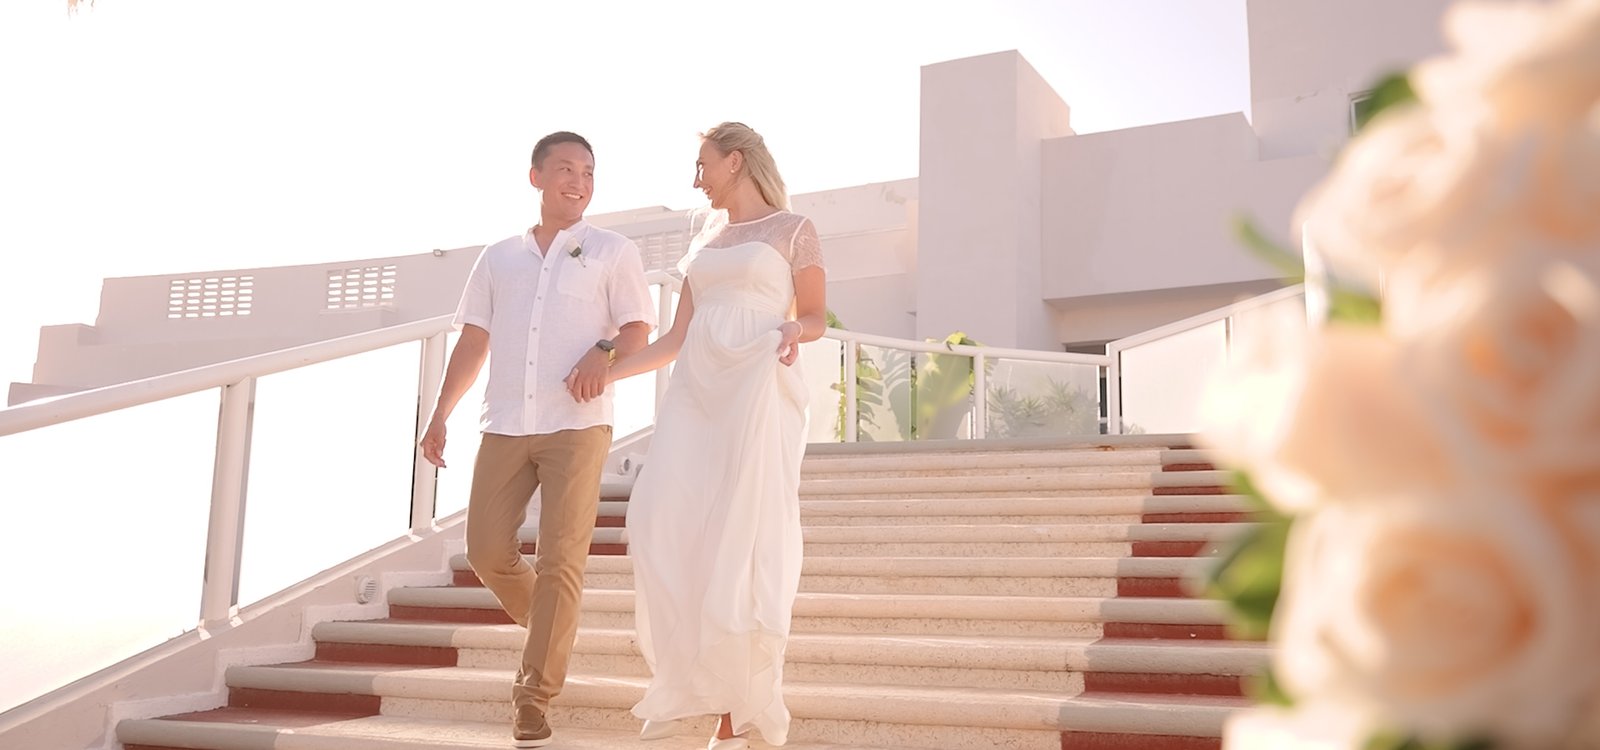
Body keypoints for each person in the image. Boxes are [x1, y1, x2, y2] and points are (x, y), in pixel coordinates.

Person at [418, 131, 656, 749]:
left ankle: (533, 694)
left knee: (561, 560)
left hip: (578, 424)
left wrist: (601, 353)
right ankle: (551, 629)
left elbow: (637, 329)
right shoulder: (497, 258)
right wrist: (441, 412)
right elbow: (474, 342)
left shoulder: (612, 250)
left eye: (588, 172)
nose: (578, 181)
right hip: (504, 422)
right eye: (566, 170)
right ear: (536, 177)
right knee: (486, 549)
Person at [601, 122, 827, 750]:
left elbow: (813, 315)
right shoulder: (707, 240)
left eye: (702, 164)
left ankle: (737, 708)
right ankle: (694, 680)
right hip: (696, 393)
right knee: (656, 519)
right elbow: (674, 339)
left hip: (756, 383)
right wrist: (607, 373)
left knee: (741, 537)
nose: (695, 177)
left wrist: (792, 333)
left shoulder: (794, 231)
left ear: (735, 162)